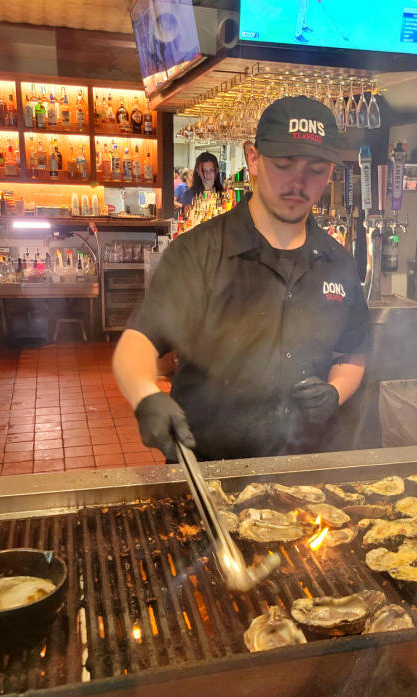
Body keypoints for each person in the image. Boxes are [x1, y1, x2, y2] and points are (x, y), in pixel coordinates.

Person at [113, 96, 370, 462]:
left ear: (330, 173)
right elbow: (137, 343)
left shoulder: (338, 262)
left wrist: (335, 391)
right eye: (283, 165)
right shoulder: (199, 252)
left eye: (315, 170)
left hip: (300, 471)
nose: (298, 183)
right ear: (254, 159)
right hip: (211, 469)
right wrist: (145, 395)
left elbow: (352, 352)